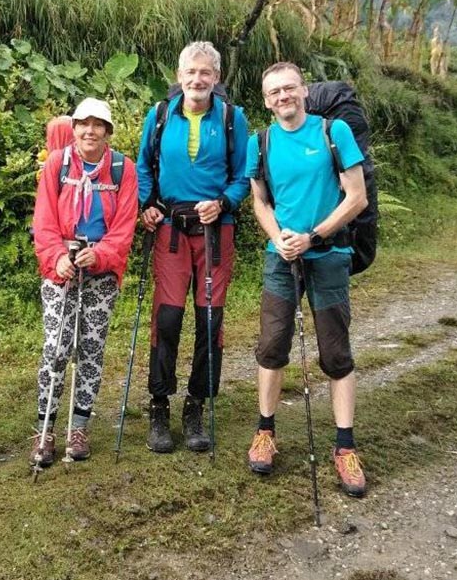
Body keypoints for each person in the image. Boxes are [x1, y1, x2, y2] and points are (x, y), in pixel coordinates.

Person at [245, 62, 369, 497]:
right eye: (275, 91)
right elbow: (259, 201)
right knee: (272, 346)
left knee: (336, 351)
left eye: (290, 88)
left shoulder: (333, 133)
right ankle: (265, 432)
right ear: (266, 99)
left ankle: (345, 446)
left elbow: (357, 196)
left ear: (304, 91)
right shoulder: (259, 142)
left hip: (329, 255)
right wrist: (279, 237)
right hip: (281, 258)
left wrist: (314, 235)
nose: (283, 97)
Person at [136, 42, 250, 453]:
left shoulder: (233, 119)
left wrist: (222, 203)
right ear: (179, 75)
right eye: (191, 72)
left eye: (205, 73)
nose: (197, 80)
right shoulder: (161, 114)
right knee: (166, 319)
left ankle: (196, 406)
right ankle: (159, 406)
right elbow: (143, 166)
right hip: (169, 227)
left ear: (216, 78)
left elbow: (244, 176)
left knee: (209, 321)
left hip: (215, 232)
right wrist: (147, 205)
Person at [30, 98, 138, 465]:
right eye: (83, 124)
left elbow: (124, 226)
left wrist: (103, 255)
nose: (90, 131)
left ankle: (79, 429)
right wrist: (56, 257)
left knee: (90, 350)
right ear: (73, 128)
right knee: (56, 348)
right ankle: (44, 430)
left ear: (108, 131)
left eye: (98, 125)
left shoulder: (123, 169)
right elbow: (43, 220)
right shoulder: (56, 165)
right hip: (60, 266)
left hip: (101, 270)